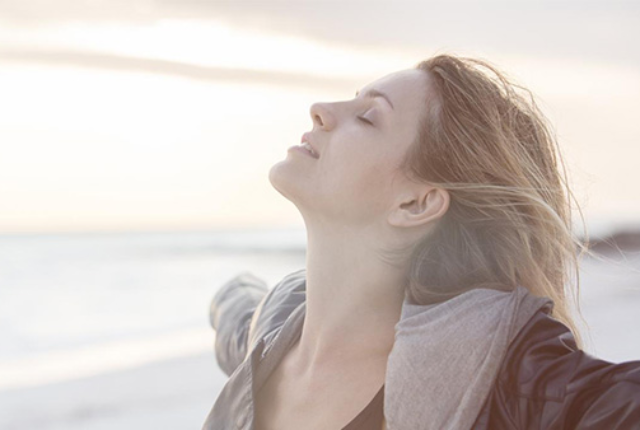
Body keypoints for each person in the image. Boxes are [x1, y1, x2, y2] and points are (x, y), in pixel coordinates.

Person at [202, 54, 640, 430]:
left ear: (416, 203)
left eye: (368, 117)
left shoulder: (501, 373)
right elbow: (239, 313)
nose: (321, 109)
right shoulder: (273, 329)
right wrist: (226, 296)